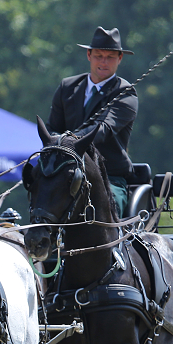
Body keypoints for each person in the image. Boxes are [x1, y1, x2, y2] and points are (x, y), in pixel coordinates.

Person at [46, 26, 138, 218]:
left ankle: (115, 249)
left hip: (108, 178)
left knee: (106, 212)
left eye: (110, 57)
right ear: (89, 55)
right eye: (98, 56)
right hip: (67, 174)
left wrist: (67, 142)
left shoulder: (125, 93)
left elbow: (103, 130)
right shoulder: (67, 87)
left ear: (120, 58)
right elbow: (52, 128)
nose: (103, 62)